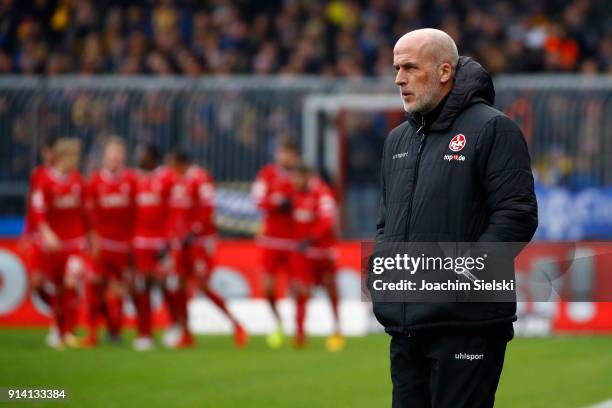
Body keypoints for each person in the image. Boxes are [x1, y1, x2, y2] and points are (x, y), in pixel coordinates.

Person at [373, 29, 538, 407]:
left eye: (410, 67)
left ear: (444, 71)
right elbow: (386, 223)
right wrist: (382, 270)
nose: (399, 78)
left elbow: (517, 215)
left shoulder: (493, 128)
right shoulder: (397, 140)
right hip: (406, 327)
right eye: (397, 68)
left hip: (467, 326)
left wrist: (461, 275)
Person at [164, 150, 248, 348]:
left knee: (202, 286)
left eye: (172, 165)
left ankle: (237, 325)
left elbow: (208, 209)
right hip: (181, 243)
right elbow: (174, 213)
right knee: (180, 287)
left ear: (181, 163)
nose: (170, 170)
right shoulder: (176, 181)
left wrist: (194, 232)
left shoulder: (200, 179)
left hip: (199, 244)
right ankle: (186, 333)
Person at [31, 138, 90, 350]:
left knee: (71, 283)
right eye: (73, 155)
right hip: (53, 244)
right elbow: (38, 211)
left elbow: (85, 212)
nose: (76, 160)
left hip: (75, 243)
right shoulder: (44, 180)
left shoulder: (77, 180)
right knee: (56, 288)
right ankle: (58, 328)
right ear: (62, 156)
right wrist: (46, 233)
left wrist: (91, 238)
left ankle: (67, 330)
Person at [84, 137, 136, 346]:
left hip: (123, 247)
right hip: (101, 245)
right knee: (94, 288)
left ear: (123, 156)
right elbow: (88, 215)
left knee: (118, 291)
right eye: (112, 153)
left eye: (119, 153)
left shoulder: (131, 181)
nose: (115, 157)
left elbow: (136, 214)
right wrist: (92, 240)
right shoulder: (95, 181)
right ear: (105, 156)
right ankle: (92, 333)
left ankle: (115, 331)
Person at [251, 137, 300, 348]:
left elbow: (310, 200)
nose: (285, 157)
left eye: (289, 153)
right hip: (271, 240)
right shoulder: (267, 174)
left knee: (298, 288)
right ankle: (278, 322)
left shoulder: (302, 176)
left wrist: (294, 204)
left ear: (295, 157)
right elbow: (257, 199)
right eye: (282, 152)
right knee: (267, 288)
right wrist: (277, 203)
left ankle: (299, 328)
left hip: (294, 241)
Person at [289, 165, 343, 350]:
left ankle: (337, 329)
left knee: (330, 289)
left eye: (298, 178)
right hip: (305, 252)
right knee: (301, 289)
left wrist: (310, 238)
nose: (294, 182)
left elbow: (327, 222)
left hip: (323, 252)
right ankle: (300, 333)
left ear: (307, 177)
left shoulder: (322, 193)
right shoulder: (295, 194)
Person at [131, 144, 174, 351]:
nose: (140, 158)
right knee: (142, 287)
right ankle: (145, 333)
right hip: (139, 243)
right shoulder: (133, 179)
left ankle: (175, 326)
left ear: (153, 158)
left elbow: (173, 213)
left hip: (160, 243)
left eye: (144, 155)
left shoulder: (167, 179)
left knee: (165, 284)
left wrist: (168, 241)